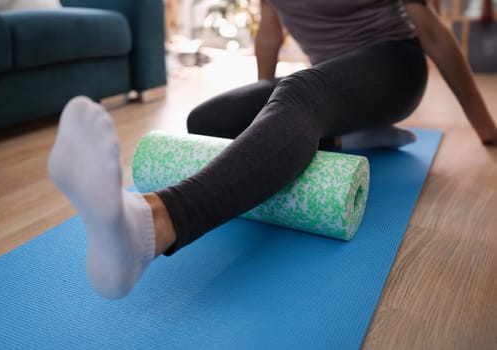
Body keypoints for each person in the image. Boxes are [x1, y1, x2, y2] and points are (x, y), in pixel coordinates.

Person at [47, 0, 497, 299]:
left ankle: (154, 222)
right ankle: (354, 137)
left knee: (301, 93)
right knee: (209, 122)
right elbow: (270, 31)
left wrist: (486, 129)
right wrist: (265, 93)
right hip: (329, 81)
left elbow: (435, 35)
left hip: (394, 67)